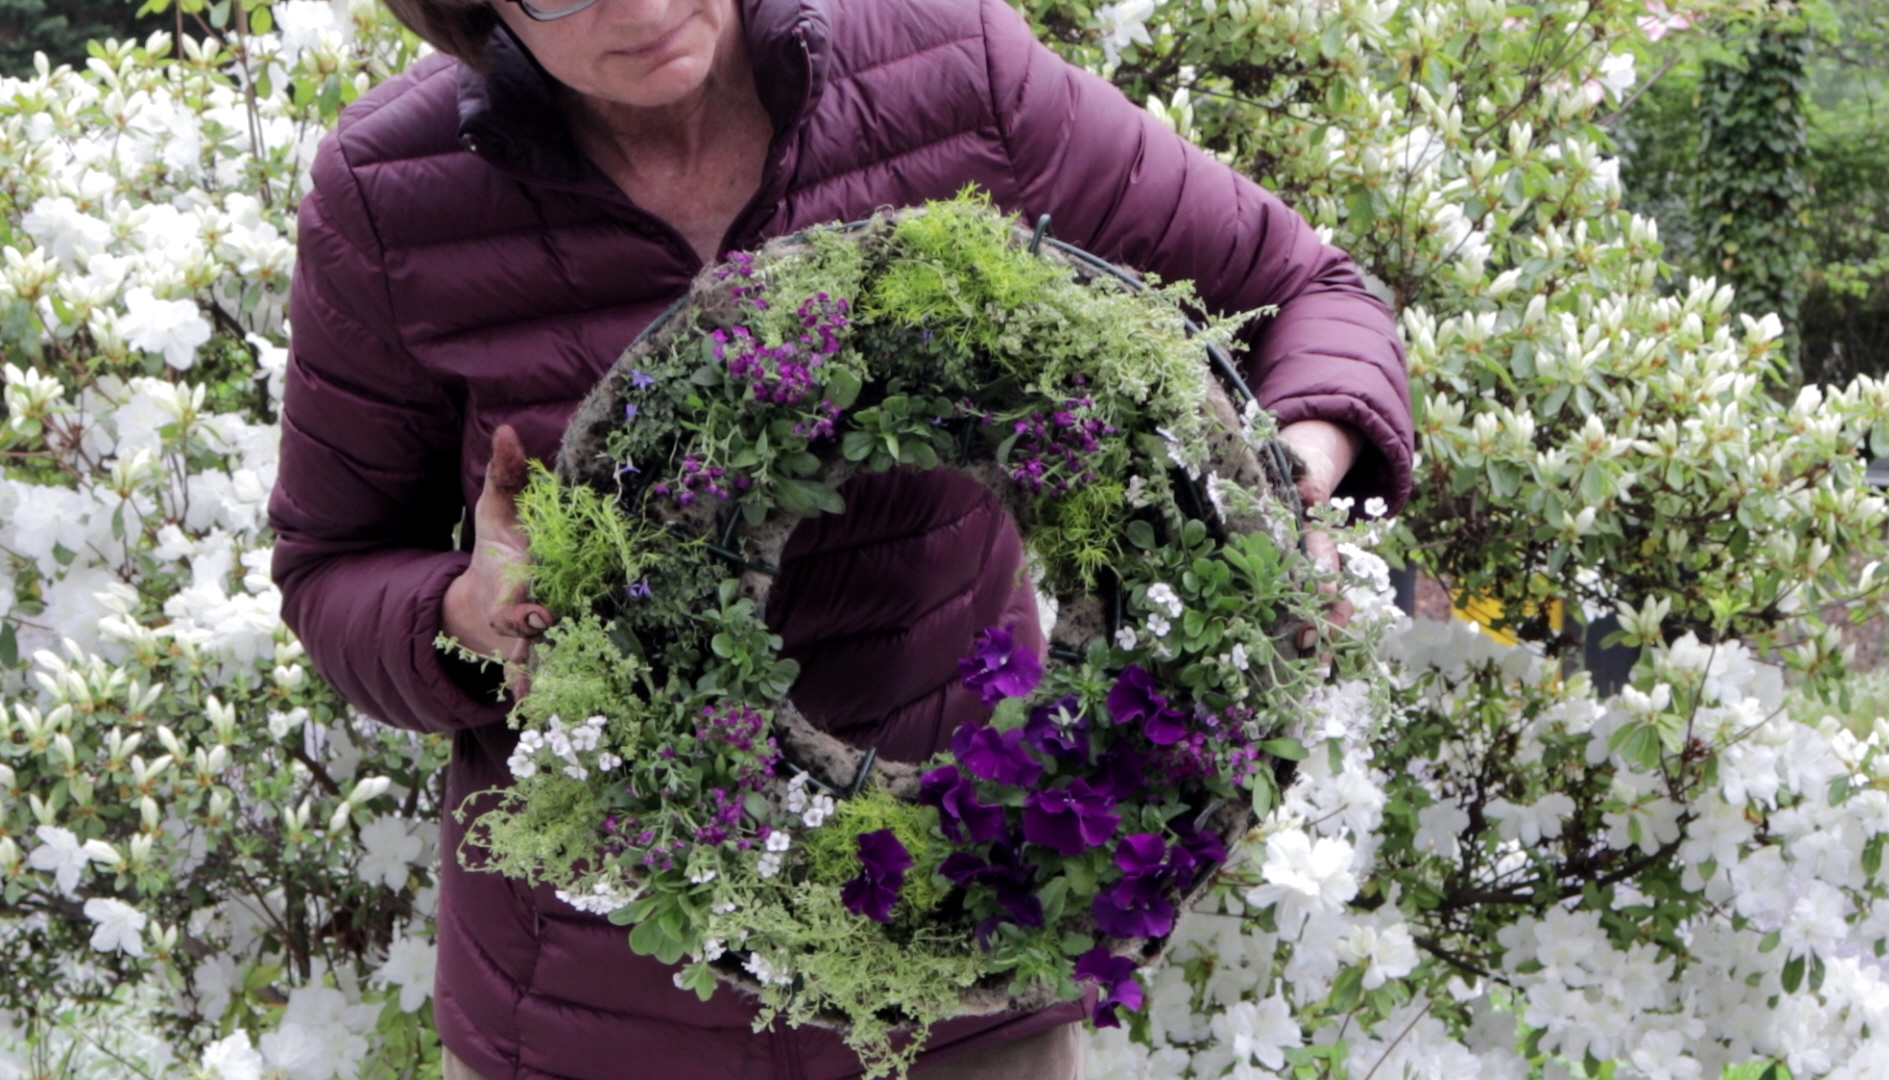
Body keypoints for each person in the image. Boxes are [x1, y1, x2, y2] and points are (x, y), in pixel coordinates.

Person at [267, 0, 1415, 1075]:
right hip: (593, 1016)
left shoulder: (946, 66)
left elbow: (1313, 289)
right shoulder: (394, 189)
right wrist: (468, 612)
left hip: (967, 983)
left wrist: (1283, 487)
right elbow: (333, 568)